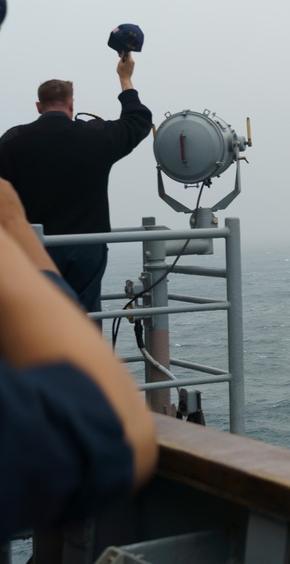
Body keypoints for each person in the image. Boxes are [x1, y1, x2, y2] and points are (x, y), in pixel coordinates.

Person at [0, 178, 157, 540]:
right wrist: (10, 225)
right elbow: (119, 427)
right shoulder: (99, 139)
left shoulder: (14, 143)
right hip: (77, 261)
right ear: (72, 113)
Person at [0, 53, 153, 314]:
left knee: (35, 315)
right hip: (87, 247)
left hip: (34, 246)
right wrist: (125, 78)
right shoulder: (96, 136)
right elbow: (138, 120)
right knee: (85, 317)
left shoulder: (13, 140)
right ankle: (84, 354)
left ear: (39, 106)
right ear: (72, 104)